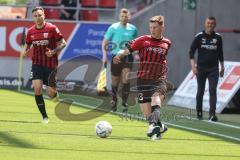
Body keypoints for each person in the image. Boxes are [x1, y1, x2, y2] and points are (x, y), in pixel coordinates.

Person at [113, 15, 170, 140]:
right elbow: (127, 50)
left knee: (156, 99)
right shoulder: (142, 40)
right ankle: (158, 127)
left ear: (162, 27)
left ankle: (154, 129)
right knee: (147, 114)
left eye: (155, 27)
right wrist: (119, 55)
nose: (152, 29)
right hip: (143, 79)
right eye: (150, 27)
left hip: (159, 79)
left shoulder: (167, 43)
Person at [22, 7, 66, 123]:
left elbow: (63, 43)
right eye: (35, 16)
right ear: (33, 18)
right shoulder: (31, 31)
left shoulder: (52, 28)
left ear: (44, 15)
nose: (38, 17)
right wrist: (25, 51)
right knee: (37, 89)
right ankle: (44, 117)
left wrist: (53, 51)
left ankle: (56, 96)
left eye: (39, 15)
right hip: (36, 63)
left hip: (51, 64)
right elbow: (27, 44)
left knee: (51, 93)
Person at [102, 8, 138, 112]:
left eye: (126, 16)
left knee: (125, 79)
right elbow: (104, 42)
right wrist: (104, 56)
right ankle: (114, 100)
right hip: (115, 57)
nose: (124, 18)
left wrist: (136, 53)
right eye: (122, 16)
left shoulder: (133, 29)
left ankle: (124, 103)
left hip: (127, 56)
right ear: (119, 17)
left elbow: (135, 44)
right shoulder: (113, 27)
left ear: (129, 17)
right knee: (115, 82)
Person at [189, 17, 224, 121]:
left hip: (213, 68)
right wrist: (193, 67)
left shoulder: (218, 37)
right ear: (205, 24)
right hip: (201, 68)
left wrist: (222, 67)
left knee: (213, 90)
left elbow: (220, 54)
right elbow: (191, 52)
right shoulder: (199, 36)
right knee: (201, 90)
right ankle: (199, 111)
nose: (210, 25)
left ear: (215, 25)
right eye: (208, 23)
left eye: (212, 23)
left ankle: (212, 114)